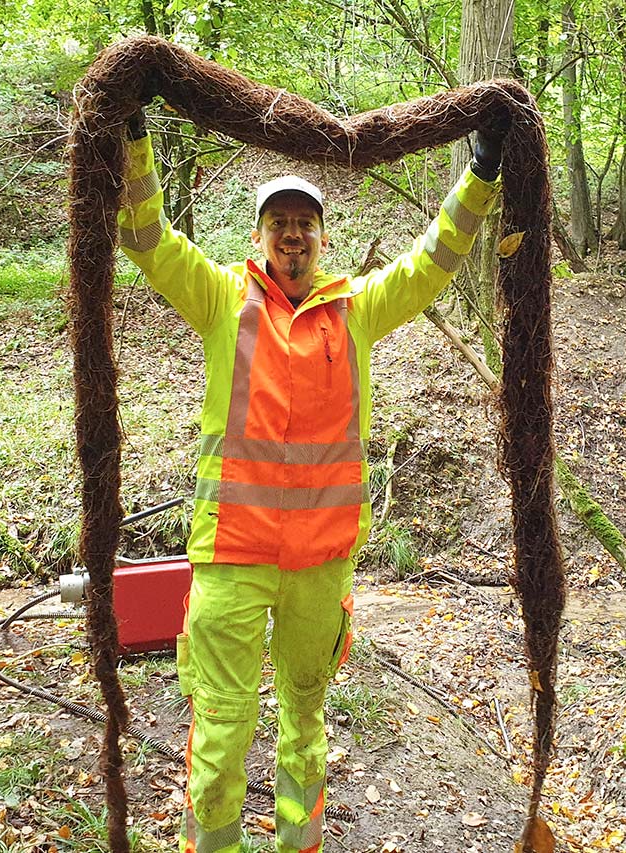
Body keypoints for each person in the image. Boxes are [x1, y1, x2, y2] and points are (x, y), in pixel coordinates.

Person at [118, 108, 503, 853]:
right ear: (258, 236)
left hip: (321, 565)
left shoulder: (355, 310)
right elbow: (146, 240)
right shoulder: (222, 297)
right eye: (278, 222)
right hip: (232, 557)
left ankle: (300, 845)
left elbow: (435, 260)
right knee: (223, 728)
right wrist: (134, 142)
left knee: (304, 719)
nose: (291, 234)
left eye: (304, 221)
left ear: (322, 237)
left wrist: (480, 175)